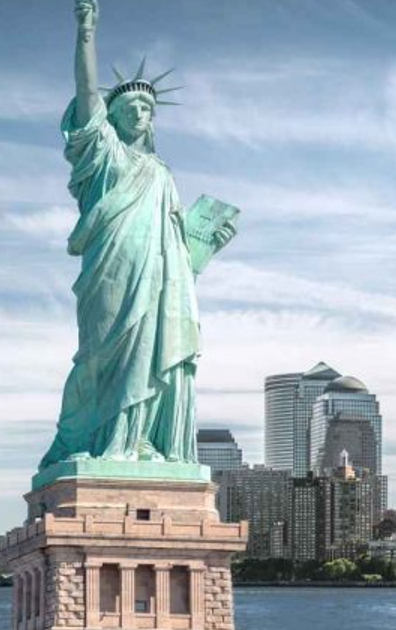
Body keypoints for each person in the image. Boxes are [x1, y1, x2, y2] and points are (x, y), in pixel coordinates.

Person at [39, 0, 235, 469]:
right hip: (110, 270)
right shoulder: (102, 155)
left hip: (159, 279)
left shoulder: (162, 173)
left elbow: (176, 249)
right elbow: (87, 93)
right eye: (131, 106)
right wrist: (86, 31)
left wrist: (205, 245)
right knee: (99, 356)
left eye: (148, 107)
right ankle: (97, 437)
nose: (141, 113)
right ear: (114, 114)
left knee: (152, 355)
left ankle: (139, 439)